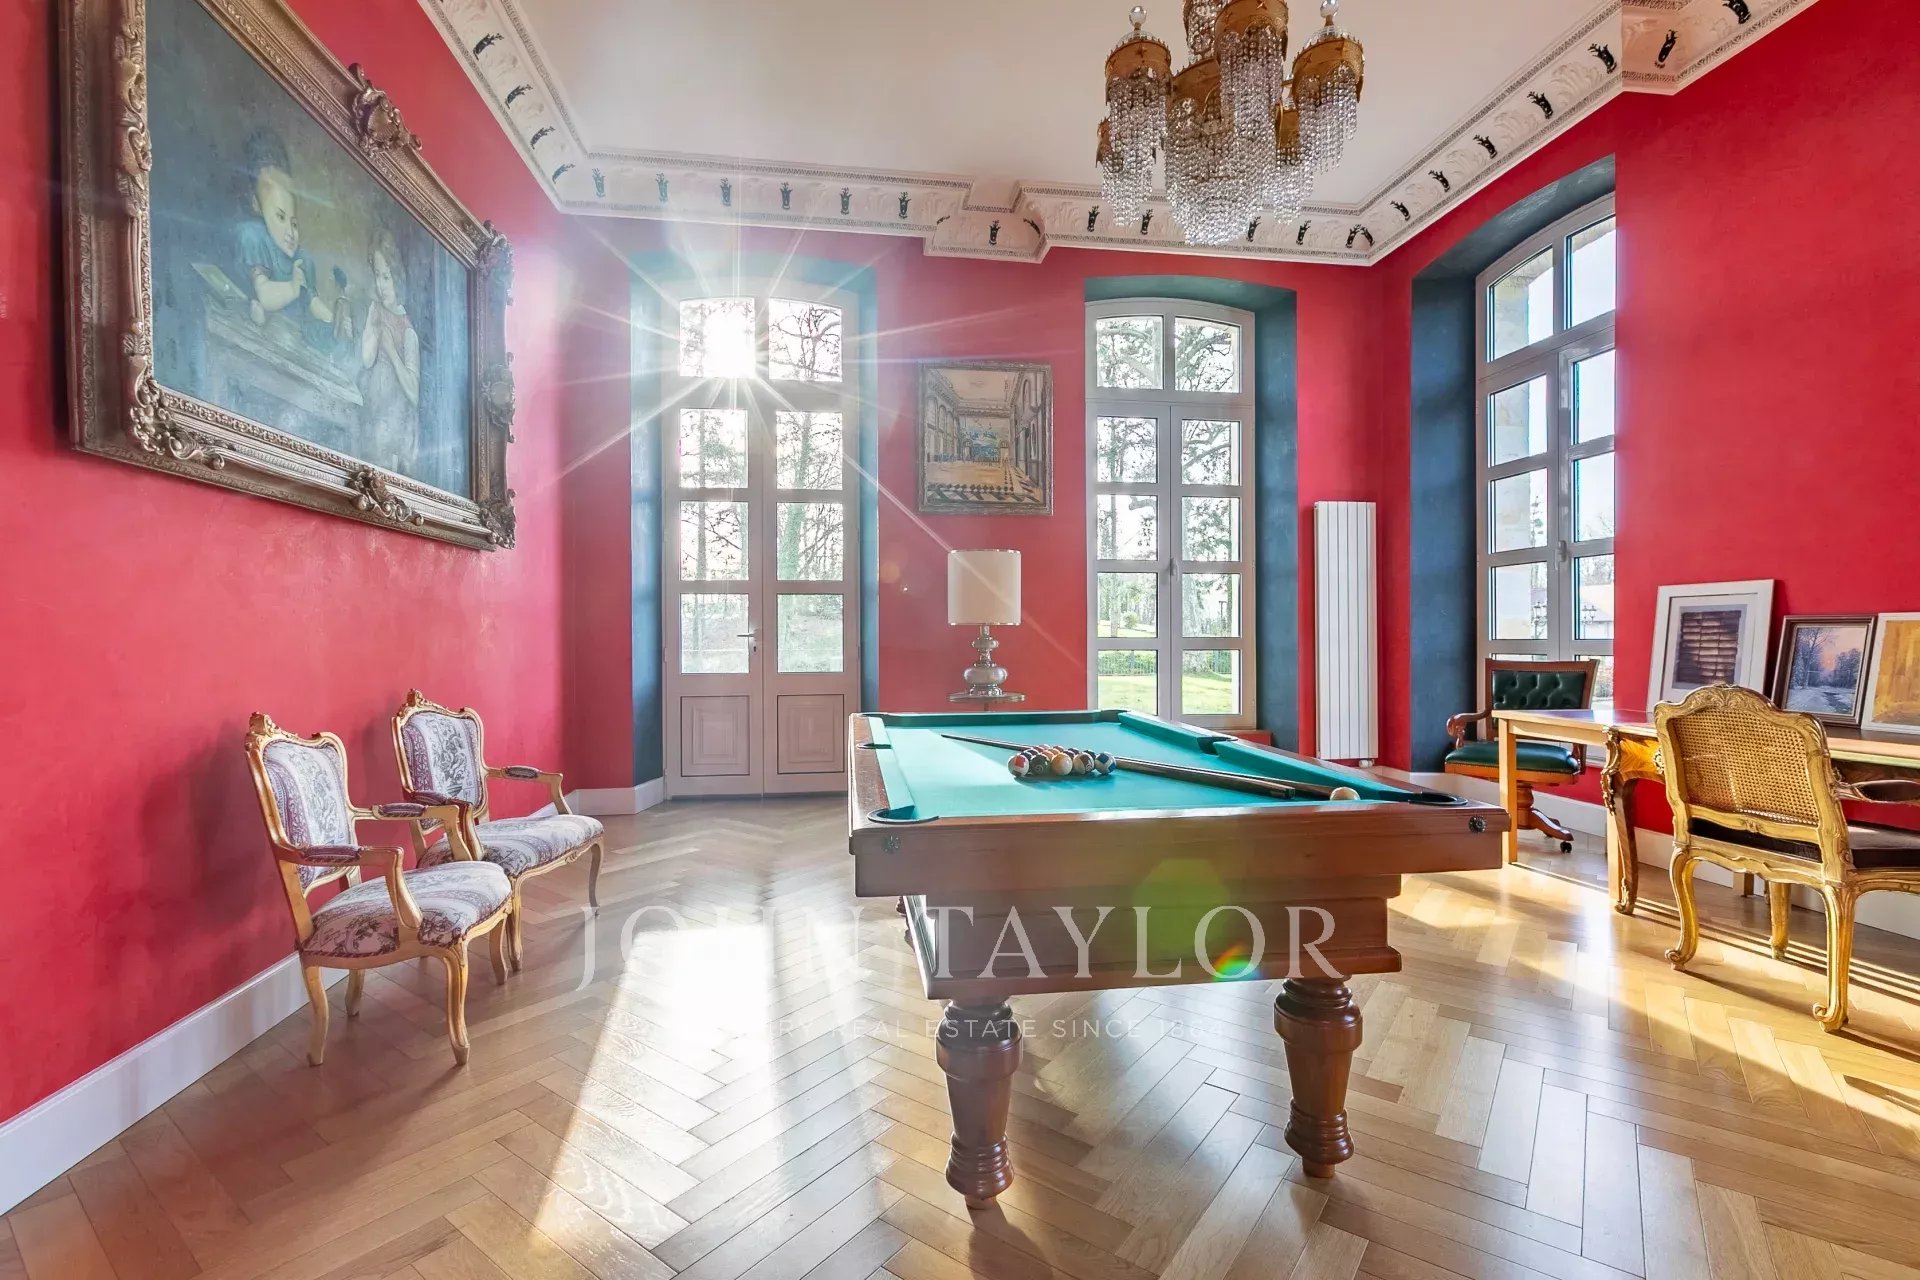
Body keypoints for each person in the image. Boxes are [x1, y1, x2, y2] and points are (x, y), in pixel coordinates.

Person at [236, 129, 351, 349]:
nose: (291, 232)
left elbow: (312, 302)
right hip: (262, 337)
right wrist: (292, 288)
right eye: (280, 217)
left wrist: (334, 320)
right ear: (257, 206)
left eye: (294, 223)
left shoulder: (302, 259)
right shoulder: (254, 237)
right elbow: (264, 293)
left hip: (293, 337)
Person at [359, 229, 422, 475]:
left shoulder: (408, 329)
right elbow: (366, 360)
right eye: (377, 275)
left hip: (396, 424)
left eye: (386, 277)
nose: (381, 285)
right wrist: (374, 326)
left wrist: (392, 352)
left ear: (398, 277)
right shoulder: (375, 310)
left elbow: (413, 393)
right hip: (374, 412)